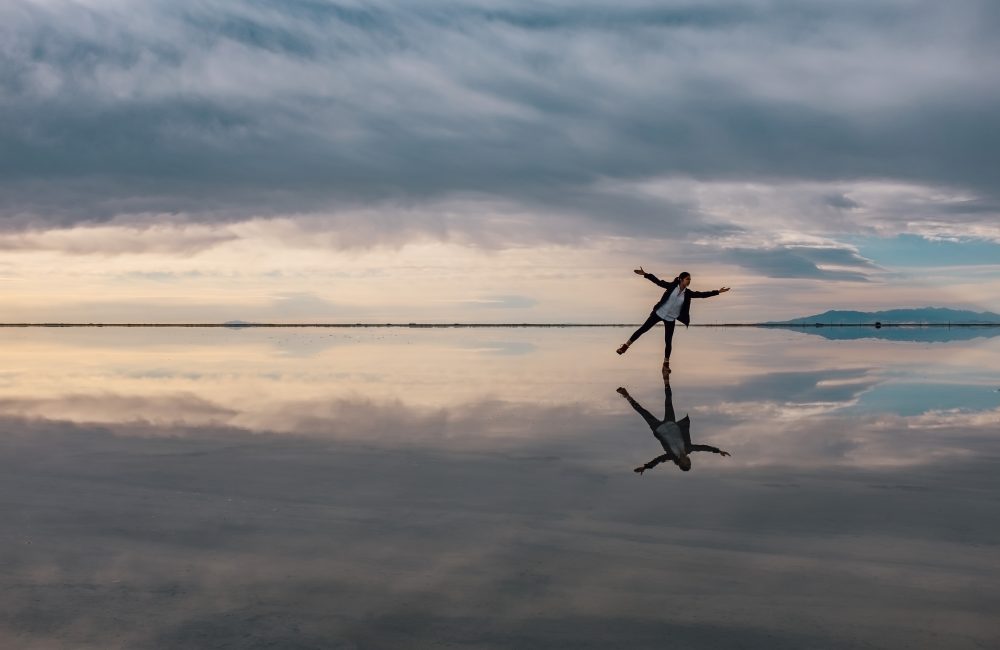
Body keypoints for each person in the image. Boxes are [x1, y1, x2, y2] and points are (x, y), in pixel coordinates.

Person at [616, 267, 729, 373]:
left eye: (690, 279)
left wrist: (717, 292)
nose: (689, 281)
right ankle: (625, 347)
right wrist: (645, 274)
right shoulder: (671, 287)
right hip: (659, 313)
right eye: (687, 279)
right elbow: (658, 282)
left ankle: (666, 364)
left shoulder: (688, 293)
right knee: (643, 329)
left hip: (670, 318)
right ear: (681, 279)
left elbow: (702, 295)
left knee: (668, 341)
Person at [617, 376, 731, 473]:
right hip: (671, 423)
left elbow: (659, 459)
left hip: (659, 429)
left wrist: (646, 467)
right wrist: (718, 451)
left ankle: (627, 396)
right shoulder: (689, 448)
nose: (688, 461)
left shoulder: (671, 456)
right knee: (668, 400)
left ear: (681, 464)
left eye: (687, 464)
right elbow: (703, 447)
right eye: (689, 462)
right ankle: (666, 380)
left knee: (643, 412)